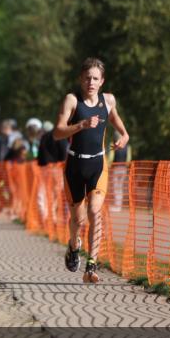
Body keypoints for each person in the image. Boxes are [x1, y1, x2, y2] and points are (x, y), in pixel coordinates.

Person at [52, 57, 130, 283]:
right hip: (75, 165)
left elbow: (117, 123)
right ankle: (73, 245)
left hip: (98, 164)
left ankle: (91, 266)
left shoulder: (108, 101)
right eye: (87, 78)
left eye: (95, 78)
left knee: (95, 211)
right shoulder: (72, 101)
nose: (91, 82)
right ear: (80, 79)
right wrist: (81, 125)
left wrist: (124, 136)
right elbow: (57, 132)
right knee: (78, 219)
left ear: (102, 81)